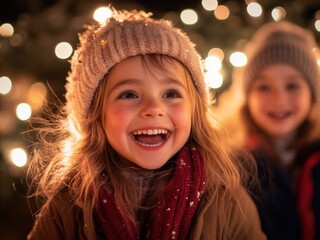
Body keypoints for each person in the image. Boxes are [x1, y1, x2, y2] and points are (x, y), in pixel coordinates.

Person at [26, 7, 266, 240]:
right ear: (96, 116)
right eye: (129, 94)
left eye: (171, 94)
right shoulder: (68, 208)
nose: (153, 109)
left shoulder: (225, 200)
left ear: (195, 111)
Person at [215, 21, 320, 240]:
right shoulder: (236, 169)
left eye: (292, 86)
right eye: (264, 87)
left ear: (312, 94)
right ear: (247, 98)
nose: (278, 100)